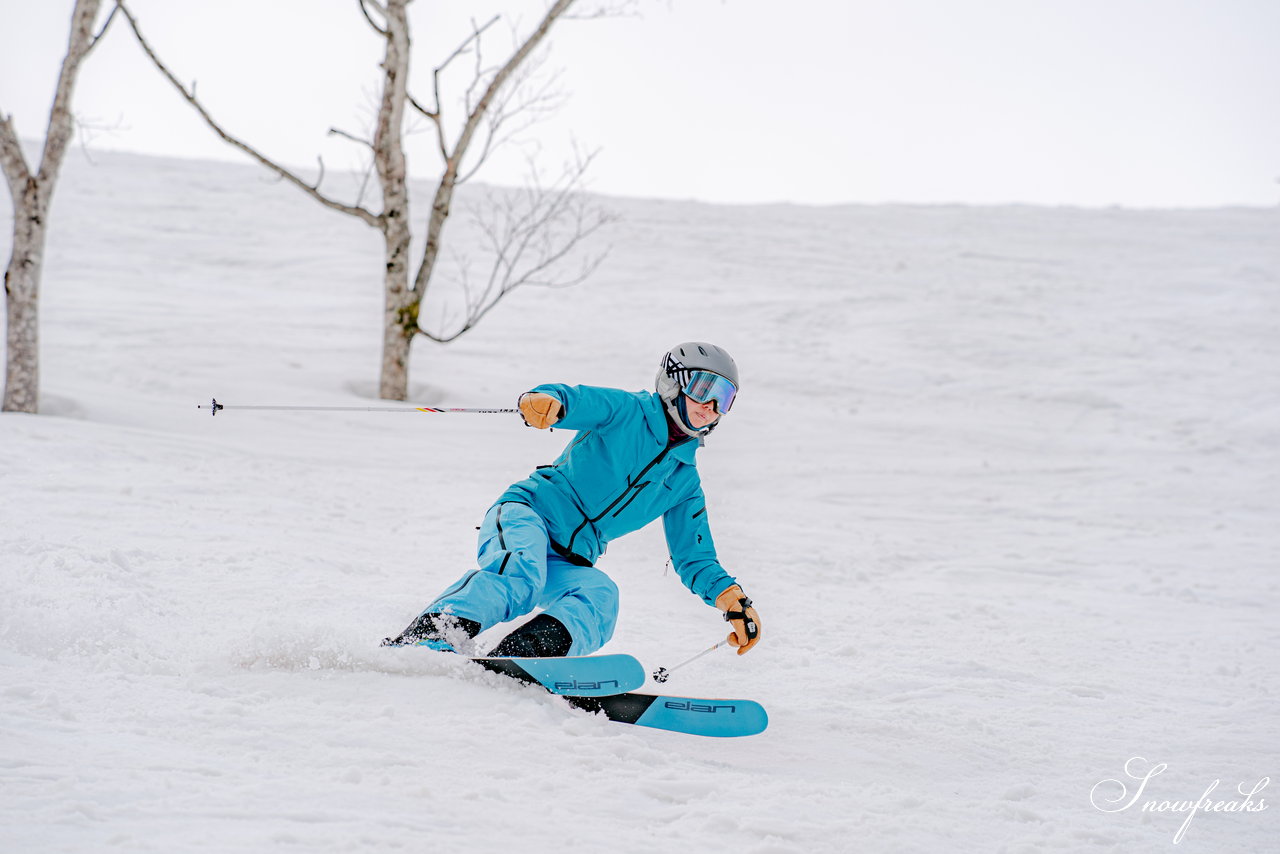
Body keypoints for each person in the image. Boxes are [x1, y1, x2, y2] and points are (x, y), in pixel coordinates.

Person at [384, 342, 762, 660]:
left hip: (571, 557)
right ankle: (429, 635)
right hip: (528, 515)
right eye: (702, 387)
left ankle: (522, 658)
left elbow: (693, 557)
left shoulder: (684, 482)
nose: (710, 405)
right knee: (522, 576)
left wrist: (731, 597)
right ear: (672, 383)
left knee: (600, 596)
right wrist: (547, 402)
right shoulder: (627, 411)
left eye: (724, 397)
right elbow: (576, 400)